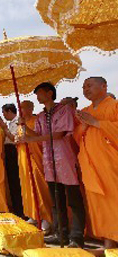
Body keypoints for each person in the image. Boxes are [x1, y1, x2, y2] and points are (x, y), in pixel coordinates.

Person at [19, 82, 85, 248]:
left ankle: (76, 237)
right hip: (49, 161)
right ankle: (60, 234)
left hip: (65, 158)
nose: (37, 97)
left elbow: (60, 134)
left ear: (49, 93)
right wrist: (24, 127)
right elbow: (39, 135)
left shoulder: (64, 110)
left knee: (73, 199)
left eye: (39, 93)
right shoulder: (41, 116)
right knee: (56, 200)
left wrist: (32, 139)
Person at [74, 77, 118, 250]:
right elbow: (77, 138)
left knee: (114, 200)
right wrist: (84, 126)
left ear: (104, 86)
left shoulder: (114, 106)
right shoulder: (85, 110)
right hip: (91, 164)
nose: (85, 89)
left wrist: (97, 123)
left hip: (111, 163)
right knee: (99, 203)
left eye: (89, 85)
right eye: (83, 86)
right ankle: (108, 243)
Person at [16, 101, 52, 231]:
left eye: (23, 108)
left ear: (31, 109)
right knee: (28, 188)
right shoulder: (20, 124)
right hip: (24, 158)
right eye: (20, 108)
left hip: (35, 157)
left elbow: (38, 136)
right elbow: (21, 138)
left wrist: (24, 126)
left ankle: (46, 217)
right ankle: (33, 214)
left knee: (39, 187)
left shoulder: (36, 120)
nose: (21, 111)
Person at [0, 103, 24, 218]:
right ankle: (15, 208)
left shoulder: (17, 122)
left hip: (14, 151)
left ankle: (20, 210)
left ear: (9, 111)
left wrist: (4, 127)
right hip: (8, 152)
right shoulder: (11, 123)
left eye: (4, 112)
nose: (4, 115)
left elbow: (14, 139)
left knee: (16, 182)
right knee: (11, 182)